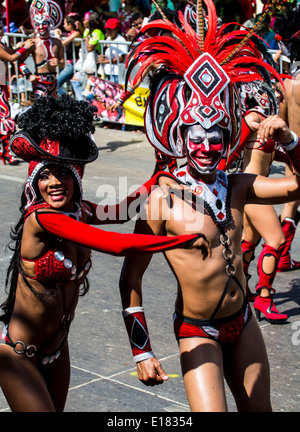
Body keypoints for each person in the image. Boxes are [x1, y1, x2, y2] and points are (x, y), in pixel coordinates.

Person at [119, 1, 300, 411]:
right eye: (196, 137)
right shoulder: (162, 200)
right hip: (197, 330)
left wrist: (288, 141)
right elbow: (131, 277)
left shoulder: (238, 186)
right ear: (180, 137)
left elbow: (296, 187)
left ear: (228, 135)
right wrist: (142, 350)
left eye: (215, 136)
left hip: (244, 322)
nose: (205, 146)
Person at [0, 94, 207, 412]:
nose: (54, 183)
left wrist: (157, 180)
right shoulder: (42, 219)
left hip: (57, 348)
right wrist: (178, 241)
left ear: (76, 177)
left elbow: (121, 210)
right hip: (18, 354)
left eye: (63, 173)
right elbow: (116, 245)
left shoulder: (79, 210)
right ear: (33, 183)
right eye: (44, 175)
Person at [0, 15, 35, 164]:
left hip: (2, 84)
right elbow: (11, 58)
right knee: (5, 118)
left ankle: (5, 152)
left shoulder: (1, 43)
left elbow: (14, 54)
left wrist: (22, 47)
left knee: (4, 118)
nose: (2, 30)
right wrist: (25, 47)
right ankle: (6, 153)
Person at [19, 1, 65, 99]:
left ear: (50, 24)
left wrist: (58, 62)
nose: (41, 27)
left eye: (44, 23)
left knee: (53, 111)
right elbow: (20, 61)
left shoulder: (57, 42)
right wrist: (29, 75)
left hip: (53, 82)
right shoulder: (33, 43)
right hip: (39, 82)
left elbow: (63, 62)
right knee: (41, 111)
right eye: (38, 24)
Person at [55, 12, 83, 96]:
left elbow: (62, 44)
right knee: (72, 88)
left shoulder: (76, 33)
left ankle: (68, 102)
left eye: (64, 24)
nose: (63, 26)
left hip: (73, 64)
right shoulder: (71, 33)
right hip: (68, 63)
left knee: (56, 85)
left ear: (70, 24)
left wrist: (57, 36)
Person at [97, 18, 128, 83]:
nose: (108, 31)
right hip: (106, 72)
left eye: (111, 29)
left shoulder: (121, 40)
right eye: (107, 29)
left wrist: (106, 61)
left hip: (116, 74)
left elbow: (121, 58)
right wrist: (101, 57)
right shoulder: (108, 39)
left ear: (117, 29)